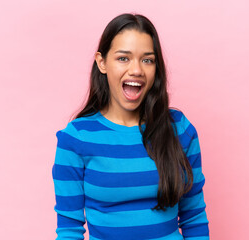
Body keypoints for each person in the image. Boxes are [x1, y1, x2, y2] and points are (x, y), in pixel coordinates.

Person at [52, 13, 209, 240]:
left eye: (147, 60)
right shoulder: (76, 139)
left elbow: (194, 219)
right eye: (123, 58)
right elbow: (69, 231)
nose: (136, 70)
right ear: (102, 62)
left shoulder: (180, 130)